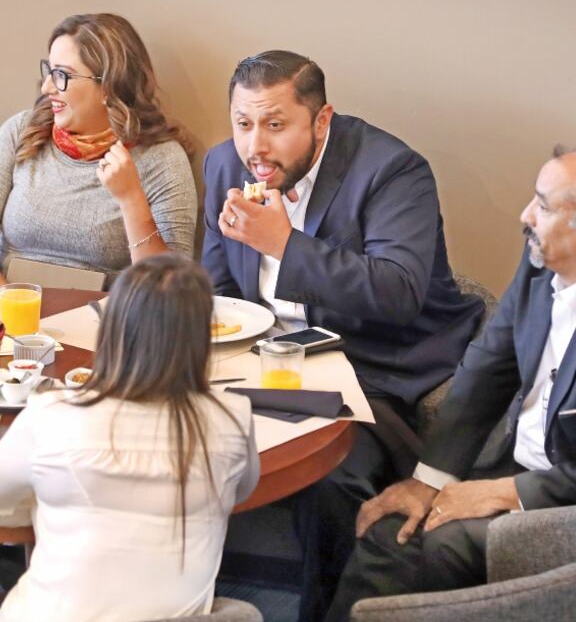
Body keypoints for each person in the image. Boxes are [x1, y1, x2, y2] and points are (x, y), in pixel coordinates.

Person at [325, 146, 576, 621]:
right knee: (393, 523)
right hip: (525, 464)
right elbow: (488, 368)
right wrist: (429, 480)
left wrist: (503, 493)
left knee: (420, 544)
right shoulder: (545, 261)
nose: (526, 215)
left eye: (543, 205)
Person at [200, 50, 484, 619]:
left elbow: (399, 291)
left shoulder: (392, 171)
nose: (256, 146)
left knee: (331, 476)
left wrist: (282, 244)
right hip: (264, 362)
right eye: (243, 123)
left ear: (321, 120)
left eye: (275, 125)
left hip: (375, 371)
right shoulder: (223, 166)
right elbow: (219, 287)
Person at [0, 254, 259, 622]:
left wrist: (46, 493)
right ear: (201, 340)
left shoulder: (53, 414)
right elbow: (238, 493)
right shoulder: (233, 417)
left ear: (112, 330)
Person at [0, 13, 197, 288]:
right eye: (49, 71)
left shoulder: (161, 158)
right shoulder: (20, 131)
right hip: (8, 313)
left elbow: (173, 286)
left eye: (62, 75)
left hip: (101, 321)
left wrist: (130, 199)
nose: (46, 88)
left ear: (108, 86)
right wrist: (15, 306)